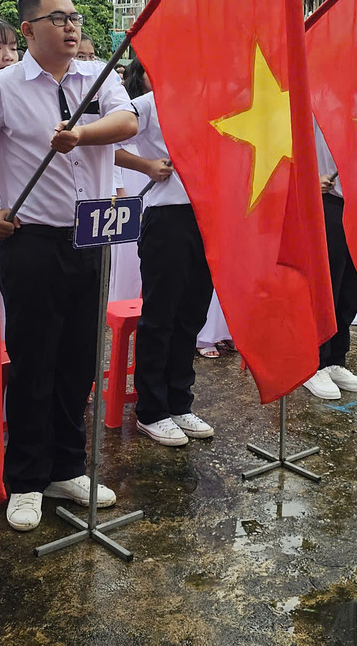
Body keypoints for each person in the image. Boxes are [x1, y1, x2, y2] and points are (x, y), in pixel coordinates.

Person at [0, 0, 137, 532]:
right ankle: (26, 477)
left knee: (79, 356)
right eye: (58, 19)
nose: (72, 27)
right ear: (28, 30)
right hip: (32, 238)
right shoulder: (4, 87)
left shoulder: (99, 78)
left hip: (92, 235)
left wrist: (80, 134)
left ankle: (67, 465)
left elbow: (128, 124)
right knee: (34, 357)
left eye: (75, 17)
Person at [113, 60, 214, 447]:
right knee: (162, 314)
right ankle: (152, 410)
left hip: (207, 216)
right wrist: (147, 165)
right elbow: (109, 143)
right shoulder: (149, 105)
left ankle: (180, 401)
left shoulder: (210, 103)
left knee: (191, 314)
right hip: (167, 217)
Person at [303, 122, 357, 400]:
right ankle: (313, 364)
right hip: (324, 203)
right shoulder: (310, 107)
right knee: (326, 287)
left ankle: (335, 359)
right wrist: (307, 180)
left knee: (351, 289)